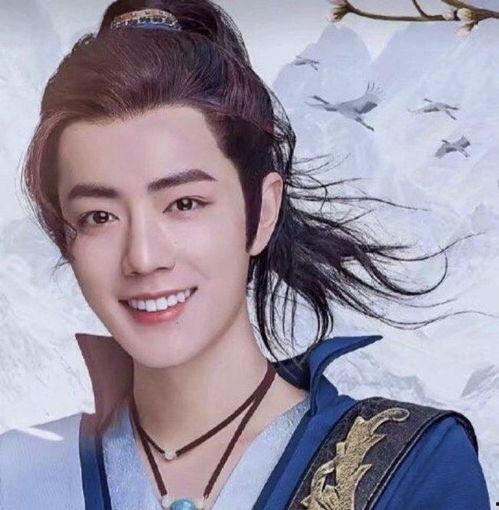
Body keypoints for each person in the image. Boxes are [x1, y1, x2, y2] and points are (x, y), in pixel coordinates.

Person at [0, 1, 491, 509]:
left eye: (184, 204)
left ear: (263, 212)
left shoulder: (410, 469)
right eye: (99, 216)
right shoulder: (17, 479)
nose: (143, 257)